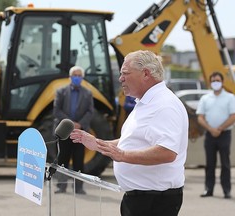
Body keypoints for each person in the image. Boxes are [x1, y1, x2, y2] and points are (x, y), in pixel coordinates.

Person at [70, 50, 188, 216]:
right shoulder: (146, 102)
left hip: (155, 201)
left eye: (125, 73)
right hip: (140, 198)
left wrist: (124, 156)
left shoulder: (165, 105)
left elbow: (167, 152)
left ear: (146, 74)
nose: (120, 79)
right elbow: (131, 140)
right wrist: (97, 144)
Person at [53, 65, 94, 194]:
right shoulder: (61, 92)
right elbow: (56, 110)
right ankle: (61, 186)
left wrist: (79, 124)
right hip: (64, 132)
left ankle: (79, 187)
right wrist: (70, 124)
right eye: (74, 75)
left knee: (78, 161)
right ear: (70, 77)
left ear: (82, 78)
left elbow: (90, 111)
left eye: (79, 75)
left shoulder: (88, 93)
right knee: (62, 160)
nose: (77, 78)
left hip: (80, 132)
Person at [196, 71, 235, 199]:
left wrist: (219, 128)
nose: (215, 83)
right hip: (210, 135)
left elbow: (233, 116)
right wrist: (211, 129)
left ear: (222, 82)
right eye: (213, 81)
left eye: (217, 80)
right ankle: (208, 189)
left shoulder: (230, 97)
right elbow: (200, 118)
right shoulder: (205, 98)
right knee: (210, 163)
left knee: (225, 163)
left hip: (225, 134)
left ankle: (226, 190)